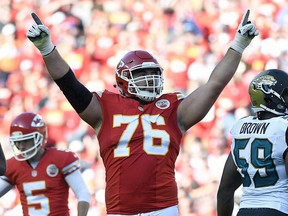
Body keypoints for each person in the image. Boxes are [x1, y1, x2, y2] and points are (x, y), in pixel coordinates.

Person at [26, 9, 259, 216]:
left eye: (153, 73)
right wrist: (47, 48)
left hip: (163, 208)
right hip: (120, 210)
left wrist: (238, 44)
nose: (149, 79)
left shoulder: (173, 108)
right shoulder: (104, 107)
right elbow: (69, 83)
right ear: (123, 78)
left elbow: (214, 84)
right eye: (141, 74)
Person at [217, 69, 288, 216]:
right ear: (270, 99)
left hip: (245, 210)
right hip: (279, 209)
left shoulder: (240, 127)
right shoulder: (283, 127)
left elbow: (225, 190)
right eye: (286, 95)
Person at [0, 112, 90, 216]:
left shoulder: (61, 159)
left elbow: (83, 193)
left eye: (26, 140)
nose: (21, 146)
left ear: (41, 137)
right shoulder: (13, 165)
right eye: (18, 142)